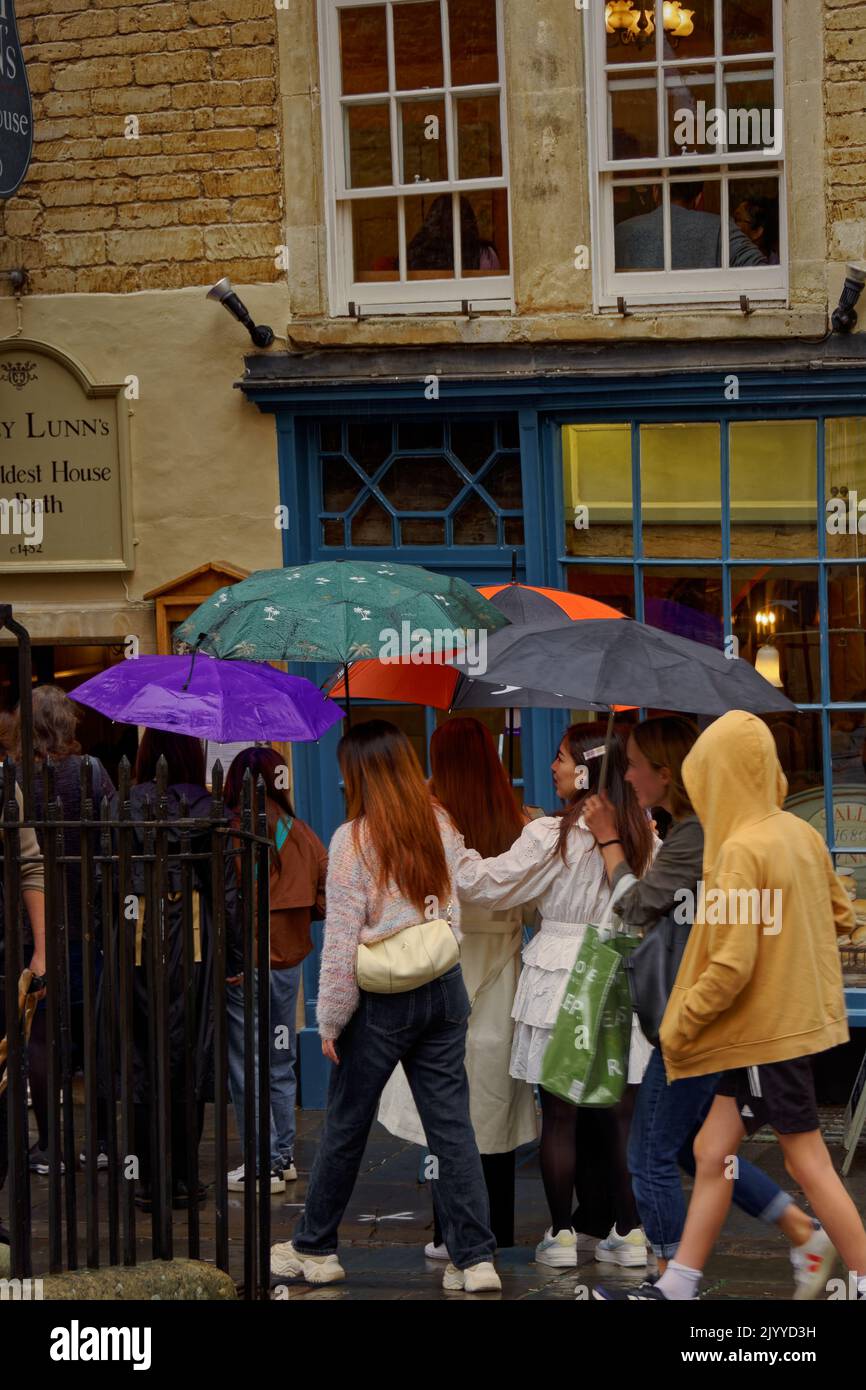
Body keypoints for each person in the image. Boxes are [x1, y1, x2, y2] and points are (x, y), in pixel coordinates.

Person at [584, 716, 836, 1302]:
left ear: (667, 774)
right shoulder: (700, 831)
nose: (626, 774)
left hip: (698, 1013)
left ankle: (673, 1276)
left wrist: (609, 843)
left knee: (651, 1152)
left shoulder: (703, 835)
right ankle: (801, 1231)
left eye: (635, 764)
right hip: (707, 1010)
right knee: (704, 1148)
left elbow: (638, 907)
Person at [271, 720, 500, 1292]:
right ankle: (475, 1260)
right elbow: (454, 910)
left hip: (380, 1000)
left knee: (346, 1124)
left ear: (358, 774)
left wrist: (329, 1020)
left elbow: (341, 943)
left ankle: (317, 1248)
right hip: (444, 986)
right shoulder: (439, 823)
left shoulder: (353, 839)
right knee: (452, 1128)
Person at [456, 723, 655, 1269]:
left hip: (560, 973)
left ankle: (563, 1236)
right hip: (619, 970)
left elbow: (488, 884)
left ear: (586, 770)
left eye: (563, 758)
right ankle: (630, 1232)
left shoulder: (552, 835)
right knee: (619, 1116)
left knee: (561, 1118)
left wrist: (450, 846)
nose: (553, 766)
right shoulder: (644, 834)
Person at [377, 717, 538, 1257]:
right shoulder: (521, 826)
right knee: (494, 1109)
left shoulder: (431, 829)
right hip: (503, 982)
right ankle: (499, 1229)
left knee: (447, 1110)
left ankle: (452, 1234)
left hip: (443, 976)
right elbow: (537, 907)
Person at [107, 729, 241, 1211]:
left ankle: (146, 1179)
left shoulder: (121, 805)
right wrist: (239, 960)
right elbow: (227, 893)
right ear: (192, 754)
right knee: (189, 1054)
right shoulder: (208, 809)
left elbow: (105, 877)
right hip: (196, 943)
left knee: (142, 1054)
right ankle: (183, 1177)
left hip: (135, 934)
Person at [10, 686, 115, 1175]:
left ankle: (51, 1147)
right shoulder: (92, 772)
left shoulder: (17, 778)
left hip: (35, 931)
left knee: (42, 1039)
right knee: (95, 1036)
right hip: (88, 925)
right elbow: (117, 845)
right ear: (68, 724)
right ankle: (102, 1143)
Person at [223, 746, 327, 1195]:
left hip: (245, 962)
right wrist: (297, 918)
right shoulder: (302, 833)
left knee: (247, 1063)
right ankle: (282, 1157)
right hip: (289, 960)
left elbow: (225, 899)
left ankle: (261, 1161)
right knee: (280, 1060)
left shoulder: (231, 831)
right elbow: (327, 894)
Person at [0, 775, 46, 1246]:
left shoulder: (1, 782)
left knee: (3, 1088)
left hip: (1, 949)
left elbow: (31, 865)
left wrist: (41, 950)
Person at [615, 180, 768, 271]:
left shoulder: (623, 231)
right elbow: (761, 272)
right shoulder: (721, 229)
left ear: (655, 192)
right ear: (698, 198)